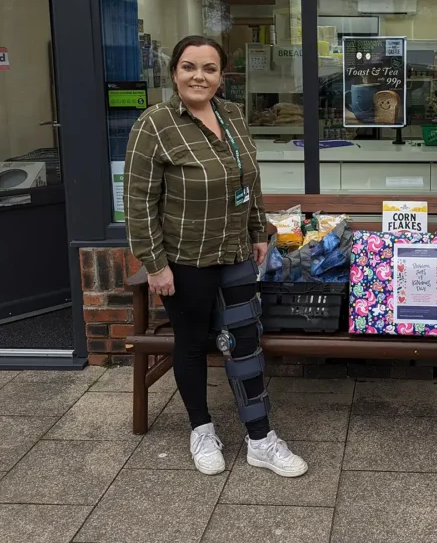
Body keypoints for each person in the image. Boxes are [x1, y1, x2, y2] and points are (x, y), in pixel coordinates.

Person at [124, 35, 307, 478]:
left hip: (235, 252)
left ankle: (261, 438)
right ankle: (201, 428)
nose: (198, 76)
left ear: (222, 76)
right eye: (189, 67)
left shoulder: (233, 115)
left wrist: (258, 229)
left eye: (209, 68)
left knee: (245, 342)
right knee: (190, 344)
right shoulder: (155, 124)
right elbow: (138, 202)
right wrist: (155, 264)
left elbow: (250, 178)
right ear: (174, 72)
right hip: (184, 259)